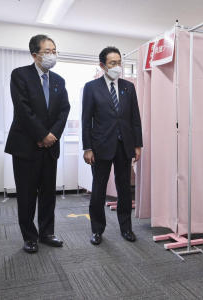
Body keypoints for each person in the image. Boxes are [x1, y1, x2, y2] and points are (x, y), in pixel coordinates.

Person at [5, 34, 70, 253]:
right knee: (26, 194)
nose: (52, 55)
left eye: (54, 51)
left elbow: (64, 110)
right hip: (26, 145)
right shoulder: (20, 75)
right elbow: (23, 110)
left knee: (48, 193)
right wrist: (42, 134)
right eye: (47, 51)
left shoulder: (59, 80)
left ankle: (47, 232)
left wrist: (53, 135)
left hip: (50, 147)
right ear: (34, 54)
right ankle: (29, 236)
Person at [82, 46, 142, 245]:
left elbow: (135, 118)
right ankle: (97, 230)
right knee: (98, 189)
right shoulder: (91, 88)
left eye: (119, 63)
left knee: (124, 189)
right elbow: (86, 119)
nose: (117, 67)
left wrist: (137, 145)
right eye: (112, 63)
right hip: (100, 146)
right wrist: (87, 147)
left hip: (124, 145)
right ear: (102, 65)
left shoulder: (128, 87)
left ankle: (126, 228)